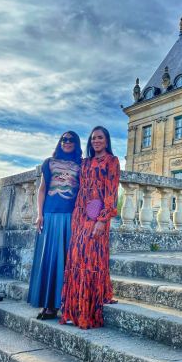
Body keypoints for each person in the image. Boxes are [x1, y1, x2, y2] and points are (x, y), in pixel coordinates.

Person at [60, 126, 120, 329]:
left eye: (100, 137)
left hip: (98, 213)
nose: (96, 141)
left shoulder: (112, 161)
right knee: (76, 258)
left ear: (106, 140)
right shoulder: (84, 162)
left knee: (91, 257)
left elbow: (111, 192)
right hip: (80, 214)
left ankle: (89, 309)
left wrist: (102, 220)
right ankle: (74, 309)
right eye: (93, 138)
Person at [27, 131, 82, 319]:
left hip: (70, 217)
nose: (67, 142)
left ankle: (64, 304)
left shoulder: (81, 165)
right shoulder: (49, 162)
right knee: (49, 260)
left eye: (71, 140)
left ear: (76, 143)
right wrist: (39, 214)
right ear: (60, 142)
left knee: (66, 261)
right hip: (50, 215)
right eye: (64, 139)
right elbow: (42, 189)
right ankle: (48, 304)